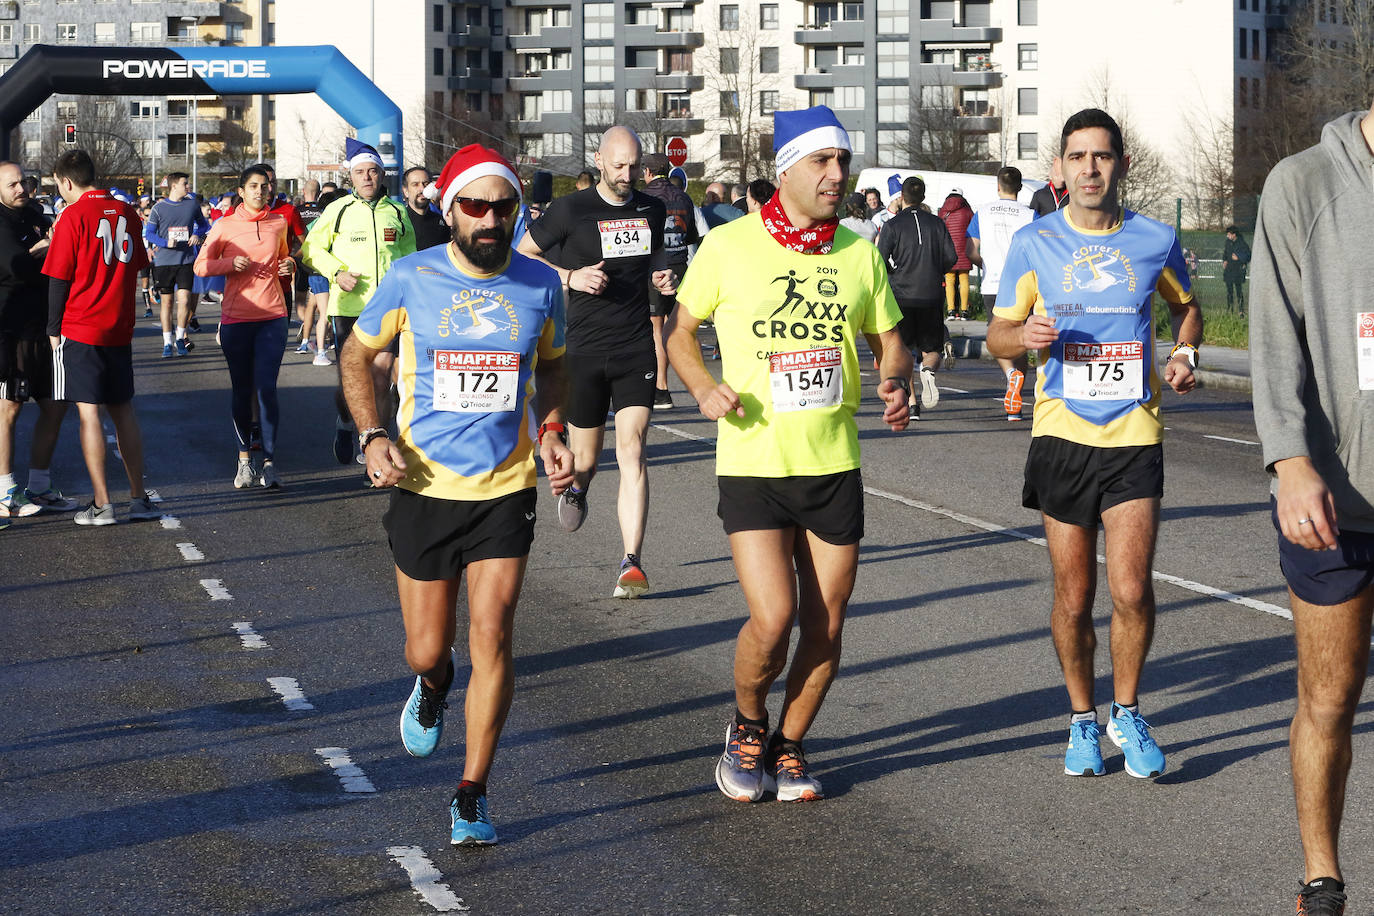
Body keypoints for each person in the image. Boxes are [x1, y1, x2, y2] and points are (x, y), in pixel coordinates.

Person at [666, 105, 910, 803]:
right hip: (753, 461)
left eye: (843, 162)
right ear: (786, 172)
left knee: (826, 625)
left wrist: (894, 378)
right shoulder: (729, 246)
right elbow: (682, 330)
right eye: (823, 162)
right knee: (773, 618)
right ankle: (746, 728)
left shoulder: (858, 254)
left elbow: (887, 335)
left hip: (832, 463)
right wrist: (704, 387)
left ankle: (790, 744)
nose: (838, 175)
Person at [341, 144, 573, 846]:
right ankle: (434, 684)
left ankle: (471, 792)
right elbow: (356, 354)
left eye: (503, 207)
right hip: (423, 485)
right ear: (451, 212)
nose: (490, 218)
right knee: (425, 648)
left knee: (494, 633)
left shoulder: (540, 284)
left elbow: (555, 366)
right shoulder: (411, 278)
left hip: (506, 488)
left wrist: (553, 426)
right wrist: (373, 432)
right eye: (475, 206)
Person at [985, 108, 1202, 781]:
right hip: (1061, 434)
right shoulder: (1034, 241)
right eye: (1077, 157)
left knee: (1132, 590)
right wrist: (1022, 342)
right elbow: (996, 334)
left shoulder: (1154, 239)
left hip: (1133, 434)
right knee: (1074, 597)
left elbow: (1184, 306)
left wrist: (1186, 351)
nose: (1089, 169)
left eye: (1101, 157)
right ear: (1062, 166)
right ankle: (1083, 718)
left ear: (1122, 165)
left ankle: (1127, 711)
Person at [1249, 102, 1374, 916]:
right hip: (1336, 496)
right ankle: (1322, 875)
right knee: (1330, 696)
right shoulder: (1303, 183)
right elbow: (1272, 334)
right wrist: (1290, 462)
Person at [517, 126, 676, 598]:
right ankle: (578, 488)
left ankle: (632, 562)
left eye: (634, 165)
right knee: (585, 459)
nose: (627, 174)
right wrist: (571, 275)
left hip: (633, 347)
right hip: (583, 349)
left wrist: (665, 276)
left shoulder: (652, 207)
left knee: (633, 449)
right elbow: (524, 257)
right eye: (618, 165)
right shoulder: (571, 209)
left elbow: (656, 260)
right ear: (599, 160)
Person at [42, 149, 162, 526]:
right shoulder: (126, 211)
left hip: (82, 324)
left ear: (65, 182)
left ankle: (101, 502)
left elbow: (58, 278)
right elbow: (140, 265)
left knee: (88, 413)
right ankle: (139, 498)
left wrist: (52, 328)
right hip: (119, 325)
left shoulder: (72, 215)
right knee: (123, 409)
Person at [301, 138, 416, 464]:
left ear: (381, 175)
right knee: (351, 383)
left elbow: (410, 258)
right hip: (349, 308)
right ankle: (345, 420)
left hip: (388, 310)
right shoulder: (337, 210)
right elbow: (310, 250)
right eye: (360, 172)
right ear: (351, 176)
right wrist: (337, 273)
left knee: (380, 378)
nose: (367, 177)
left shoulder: (397, 211)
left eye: (373, 171)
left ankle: (374, 446)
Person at [194, 165, 294, 490]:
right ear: (241, 190)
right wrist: (228, 264)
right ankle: (243, 461)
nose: (260, 191)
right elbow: (201, 264)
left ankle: (270, 463)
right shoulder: (224, 226)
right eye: (253, 186)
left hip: (273, 316)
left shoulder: (278, 222)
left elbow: (284, 259)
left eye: (264, 186)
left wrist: (289, 265)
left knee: (266, 389)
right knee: (242, 389)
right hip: (237, 318)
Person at [0, 161, 75, 525]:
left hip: (46, 327)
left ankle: (39, 485)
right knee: (9, 408)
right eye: (12, 184)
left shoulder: (35, 214)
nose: (21, 188)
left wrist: (50, 245)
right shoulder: (0, 222)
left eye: (24, 182)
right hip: (12, 328)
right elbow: (15, 266)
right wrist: (45, 250)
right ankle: (4, 491)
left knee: (56, 404)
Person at [876, 176, 956, 420]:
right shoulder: (937, 223)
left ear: (902, 197)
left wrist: (894, 273)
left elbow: (879, 258)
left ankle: (912, 404)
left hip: (902, 294)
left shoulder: (893, 225)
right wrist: (934, 269)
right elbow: (951, 257)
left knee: (903, 350)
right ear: (923, 197)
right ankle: (929, 370)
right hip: (931, 293)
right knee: (932, 348)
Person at [967, 166, 1036, 421]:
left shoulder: (982, 213)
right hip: (1022, 285)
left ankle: (1010, 377)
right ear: (1019, 188)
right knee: (1020, 340)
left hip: (993, 283)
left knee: (998, 339)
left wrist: (984, 263)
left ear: (998, 186)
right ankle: (1014, 408)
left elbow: (970, 249)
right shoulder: (1031, 215)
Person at [638, 151, 701, 410]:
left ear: (648, 172)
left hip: (655, 266)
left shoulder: (645, 197)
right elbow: (691, 237)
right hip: (680, 264)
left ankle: (661, 389)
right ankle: (701, 386)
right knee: (685, 325)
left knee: (657, 327)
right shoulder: (683, 197)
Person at [143, 172, 209, 358]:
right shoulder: (159, 207)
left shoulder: (192, 204)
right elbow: (149, 234)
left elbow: (204, 226)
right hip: (164, 262)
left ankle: (180, 337)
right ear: (174, 186)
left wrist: (198, 235)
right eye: (185, 184)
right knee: (167, 302)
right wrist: (165, 243)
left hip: (186, 260)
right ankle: (167, 342)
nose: (188, 187)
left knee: (186, 300)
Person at [294, 179, 332, 363]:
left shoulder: (297, 211)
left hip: (299, 260)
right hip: (319, 263)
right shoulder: (324, 212)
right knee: (318, 304)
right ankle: (318, 334)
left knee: (304, 301)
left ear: (303, 191)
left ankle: (306, 333)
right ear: (318, 193)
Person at [938, 188, 974, 320]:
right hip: (964, 250)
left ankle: (951, 311)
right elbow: (974, 227)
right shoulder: (967, 210)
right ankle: (964, 311)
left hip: (948, 251)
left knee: (950, 281)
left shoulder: (943, 210)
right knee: (964, 280)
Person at [402, 166, 448, 251]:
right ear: (406, 191)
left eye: (426, 184)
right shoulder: (400, 222)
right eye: (415, 184)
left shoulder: (442, 223)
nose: (422, 189)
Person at [1222, 225, 1251, 312]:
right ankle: (1230, 309)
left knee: (1239, 290)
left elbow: (1248, 255)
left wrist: (1239, 258)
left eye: (1229, 234)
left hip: (1238, 270)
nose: (1227, 236)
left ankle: (1240, 310)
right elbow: (1225, 253)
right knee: (1229, 291)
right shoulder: (1228, 242)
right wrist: (1225, 260)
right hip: (1229, 270)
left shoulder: (1242, 243)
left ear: (1234, 234)